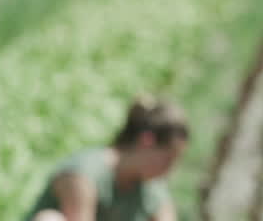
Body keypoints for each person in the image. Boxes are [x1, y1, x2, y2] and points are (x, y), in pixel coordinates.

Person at [23, 95, 188, 221]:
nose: (170, 169)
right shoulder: (83, 175)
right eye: (168, 159)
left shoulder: (151, 189)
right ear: (147, 141)